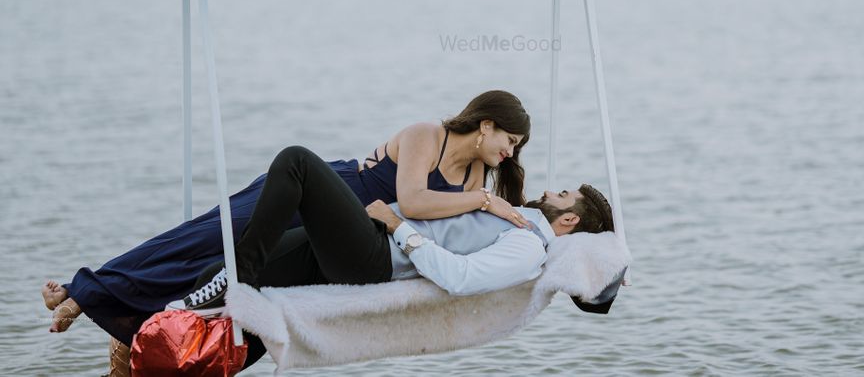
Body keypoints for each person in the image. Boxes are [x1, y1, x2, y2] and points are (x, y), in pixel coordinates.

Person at [42, 90, 531, 344]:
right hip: (314, 191)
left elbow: (430, 225)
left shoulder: (472, 178)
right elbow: (418, 202)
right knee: (205, 237)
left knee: (220, 268)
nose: (509, 153)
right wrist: (487, 202)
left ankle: (137, 317)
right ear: (485, 125)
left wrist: (487, 202)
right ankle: (83, 289)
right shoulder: (431, 134)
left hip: (340, 228)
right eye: (509, 141)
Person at [171, 146, 616, 370]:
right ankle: (179, 352)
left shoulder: (527, 246)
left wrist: (396, 225)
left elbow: (460, 278)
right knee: (217, 276)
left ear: (571, 221)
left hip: (374, 254)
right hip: (365, 241)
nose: (549, 192)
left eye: (562, 195)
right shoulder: (516, 218)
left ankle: (240, 273)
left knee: (297, 163)